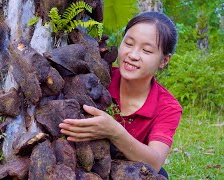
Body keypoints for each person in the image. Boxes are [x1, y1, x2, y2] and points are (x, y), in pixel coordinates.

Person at [59, 11, 182, 179]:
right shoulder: (98, 78)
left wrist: (114, 132)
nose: (132, 55)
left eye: (146, 50)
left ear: (164, 60)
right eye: (129, 43)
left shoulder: (168, 106)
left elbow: (154, 162)